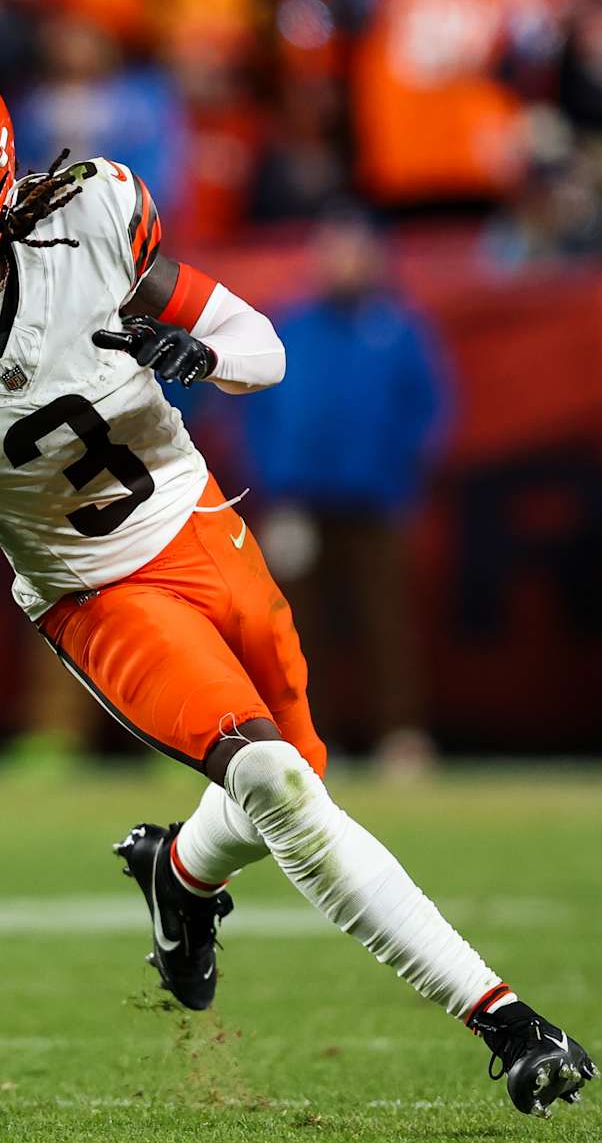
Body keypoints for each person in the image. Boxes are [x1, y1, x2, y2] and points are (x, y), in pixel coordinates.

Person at [0, 53, 596, 1118]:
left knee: (292, 785)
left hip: (202, 529)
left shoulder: (86, 228)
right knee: (275, 782)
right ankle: (504, 1018)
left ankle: (180, 877)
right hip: (92, 592)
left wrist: (198, 354)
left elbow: (259, 343)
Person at [238, 208, 452, 777]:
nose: (342, 263)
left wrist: (397, 472)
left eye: (353, 251)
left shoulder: (399, 330)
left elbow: (428, 410)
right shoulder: (291, 327)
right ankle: (304, 738)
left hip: (374, 500)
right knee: (295, 627)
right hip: (297, 503)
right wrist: (273, 482)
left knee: (386, 622)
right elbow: (256, 410)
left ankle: (399, 734)